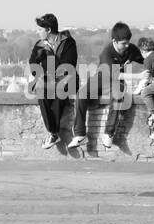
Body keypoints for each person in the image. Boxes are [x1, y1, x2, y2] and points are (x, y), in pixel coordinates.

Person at [69, 21, 143, 150]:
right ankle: (80, 135)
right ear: (114, 40)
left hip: (116, 83)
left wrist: (153, 68)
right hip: (101, 77)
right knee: (81, 95)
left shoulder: (131, 49)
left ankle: (109, 133)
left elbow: (146, 59)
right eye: (123, 43)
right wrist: (138, 76)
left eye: (128, 42)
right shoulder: (106, 53)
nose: (127, 46)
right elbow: (116, 75)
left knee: (118, 95)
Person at [28, 13, 78, 149]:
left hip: (67, 79)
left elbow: (69, 65)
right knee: (41, 94)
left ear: (48, 30)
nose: (38, 32)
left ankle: (53, 134)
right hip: (46, 80)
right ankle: (53, 132)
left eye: (40, 29)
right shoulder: (39, 45)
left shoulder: (68, 42)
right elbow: (32, 64)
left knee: (59, 94)